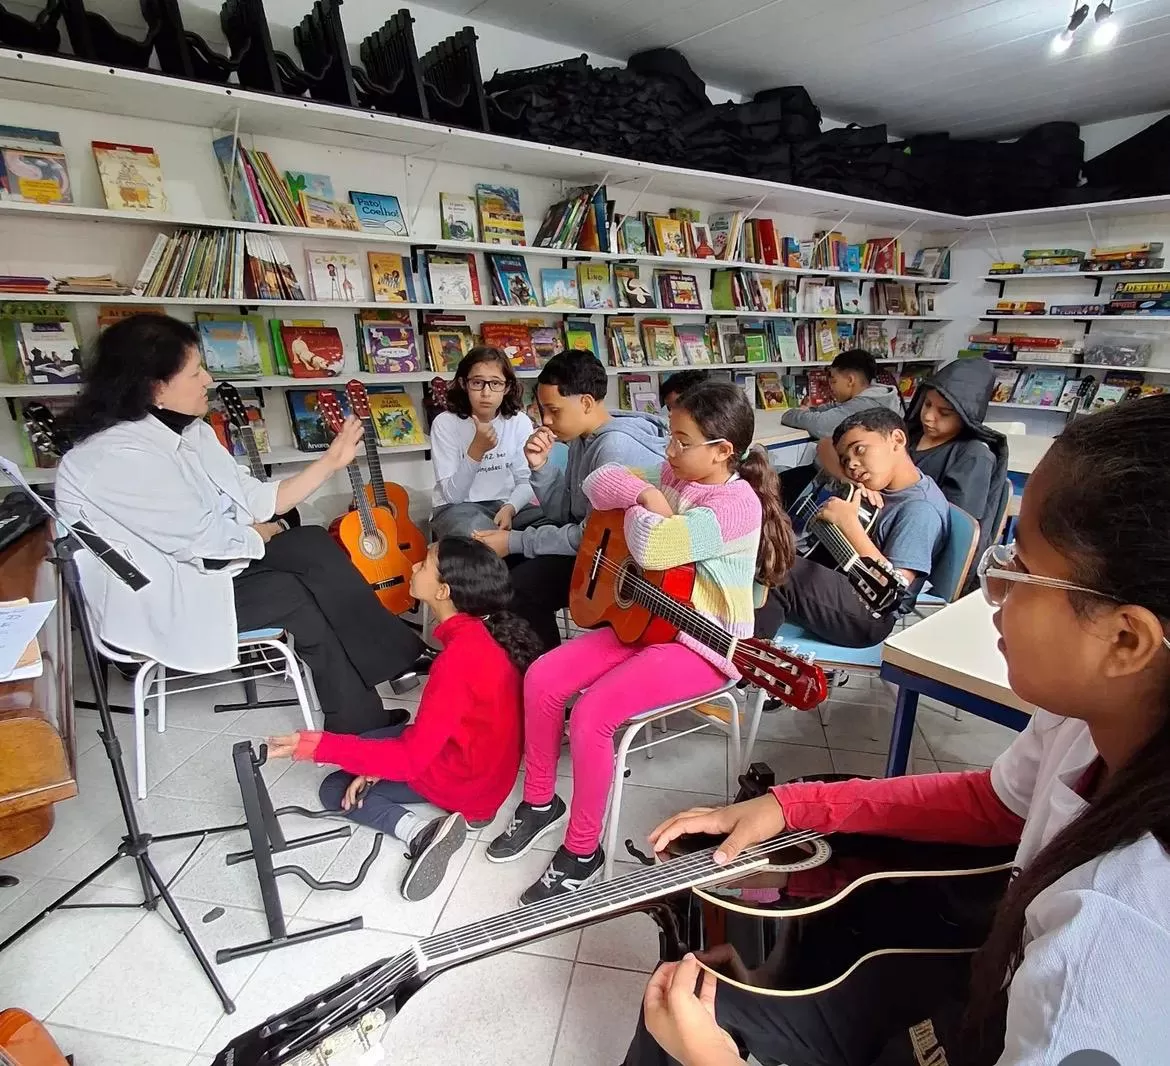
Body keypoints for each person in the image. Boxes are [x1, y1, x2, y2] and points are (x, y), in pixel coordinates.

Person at [623, 395, 1170, 1066]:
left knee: (686, 1033)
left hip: (996, 1019)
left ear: (1126, 640)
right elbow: (993, 803)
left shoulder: (1109, 947)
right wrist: (793, 804)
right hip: (983, 983)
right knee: (713, 993)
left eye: (1021, 569)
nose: (993, 590)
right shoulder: (1085, 717)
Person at [486, 381, 795, 903]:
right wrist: (649, 495)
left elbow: (653, 547)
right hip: (650, 621)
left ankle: (583, 850)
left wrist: (641, 507)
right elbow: (598, 482)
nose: (668, 451)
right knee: (543, 676)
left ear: (722, 451)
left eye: (682, 441)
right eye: (671, 437)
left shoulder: (736, 505)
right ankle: (539, 802)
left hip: (702, 645)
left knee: (592, 714)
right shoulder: (674, 475)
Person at [56, 313, 425, 736]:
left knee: (309, 543)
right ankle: (366, 716)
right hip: (164, 598)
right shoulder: (116, 458)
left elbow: (255, 499)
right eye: (195, 372)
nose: (209, 380)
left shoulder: (189, 432)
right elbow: (209, 546)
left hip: (203, 572)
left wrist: (330, 462)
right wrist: (262, 533)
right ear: (155, 388)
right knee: (295, 593)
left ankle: (384, 681)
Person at [267, 536, 543, 902]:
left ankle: (420, 832)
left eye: (425, 564)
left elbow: (411, 759)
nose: (414, 566)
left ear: (443, 591)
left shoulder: (457, 661)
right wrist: (373, 763)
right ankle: (459, 808)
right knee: (367, 743)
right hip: (486, 773)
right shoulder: (489, 632)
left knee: (334, 786)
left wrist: (313, 746)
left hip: (465, 783)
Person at [473, 348, 669, 650]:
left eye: (554, 410)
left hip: (616, 567)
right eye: (543, 410)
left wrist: (514, 540)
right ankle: (515, 660)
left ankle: (543, 668)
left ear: (586, 403)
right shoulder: (582, 437)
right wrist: (540, 467)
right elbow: (565, 514)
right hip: (592, 549)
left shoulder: (615, 447)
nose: (546, 420)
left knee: (518, 587)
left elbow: (591, 536)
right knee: (502, 565)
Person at [756, 406, 948, 649]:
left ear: (897, 440)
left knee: (778, 567)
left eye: (860, 450)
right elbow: (825, 445)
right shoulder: (883, 482)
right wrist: (846, 480)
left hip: (871, 614)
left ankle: (749, 653)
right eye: (845, 460)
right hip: (842, 583)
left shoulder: (920, 509)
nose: (852, 465)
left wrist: (848, 524)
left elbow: (894, 587)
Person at [428, 346, 541, 538]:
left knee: (552, 526)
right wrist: (477, 451)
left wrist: (511, 508)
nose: (486, 393)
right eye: (477, 383)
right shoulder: (445, 423)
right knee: (477, 535)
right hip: (457, 508)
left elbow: (525, 480)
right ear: (464, 383)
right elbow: (453, 496)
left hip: (505, 503)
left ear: (507, 387)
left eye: (495, 383)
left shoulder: (519, 421)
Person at [905, 359, 1008, 558]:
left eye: (944, 413)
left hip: (920, 550)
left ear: (965, 415)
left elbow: (955, 528)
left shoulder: (974, 457)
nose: (928, 416)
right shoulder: (909, 435)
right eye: (927, 404)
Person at [777, 349, 903, 503]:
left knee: (773, 488)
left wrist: (795, 412)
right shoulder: (878, 397)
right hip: (831, 475)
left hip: (831, 482)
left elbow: (818, 425)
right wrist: (811, 411)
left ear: (850, 380)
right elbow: (830, 409)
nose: (831, 387)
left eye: (834, 381)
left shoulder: (863, 406)